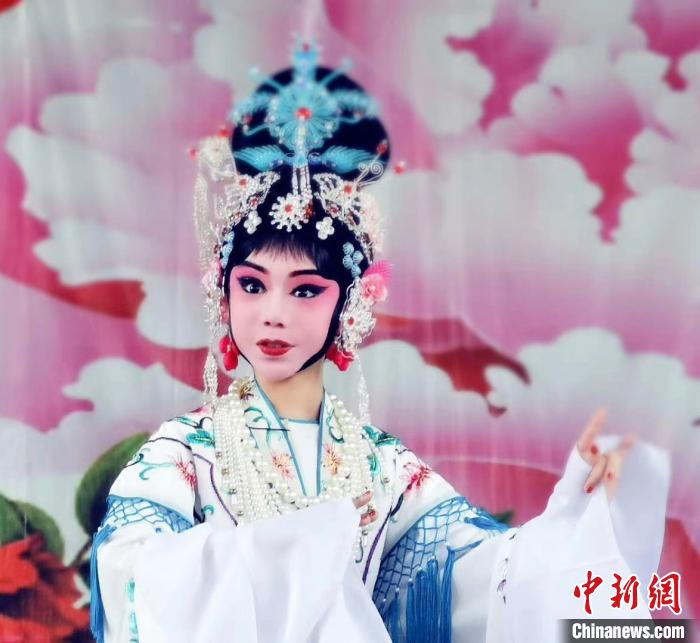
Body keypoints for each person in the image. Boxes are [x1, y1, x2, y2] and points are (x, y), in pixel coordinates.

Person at [90, 40, 670, 643]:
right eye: (253, 285)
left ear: (350, 303)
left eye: (305, 290)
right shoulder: (186, 452)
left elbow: (492, 580)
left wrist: (586, 508)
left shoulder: (380, 467)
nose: (273, 315)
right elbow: (131, 572)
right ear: (224, 292)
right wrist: (280, 561)